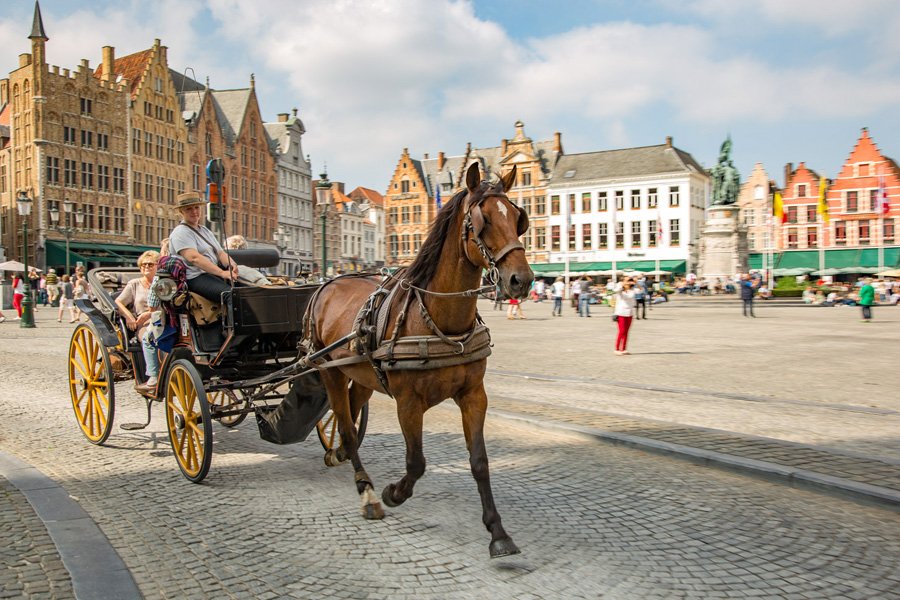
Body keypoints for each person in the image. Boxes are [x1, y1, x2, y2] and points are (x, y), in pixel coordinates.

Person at [168, 192, 239, 303]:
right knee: (231, 295)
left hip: (211, 273)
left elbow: (220, 253)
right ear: (181, 212)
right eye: (189, 209)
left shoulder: (205, 230)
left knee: (247, 291)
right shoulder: (180, 232)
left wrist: (231, 264)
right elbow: (194, 258)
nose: (194, 211)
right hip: (195, 277)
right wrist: (222, 273)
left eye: (196, 207)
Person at [115, 251, 160, 392]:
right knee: (150, 337)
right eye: (143, 265)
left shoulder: (163, 283)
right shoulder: (134, 284)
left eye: (150, 264)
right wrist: (129, 316)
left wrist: (150, 313)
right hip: (143, 324)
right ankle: (153, 376)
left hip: (161, 319)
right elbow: (119, 301)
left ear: (158, 266)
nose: (146, 267)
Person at [612, 277, 637, 355]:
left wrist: (636, 282)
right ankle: (617, 349)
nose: (629, 282)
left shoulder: (632, 290)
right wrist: (622, 283)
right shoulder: (620, 290)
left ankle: (624, 349)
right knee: (621, 331)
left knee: (626, 332)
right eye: (627, 280)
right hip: (620, 313)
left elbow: (641, 290)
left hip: (629, 313)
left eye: (629, 280)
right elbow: (615, 290)